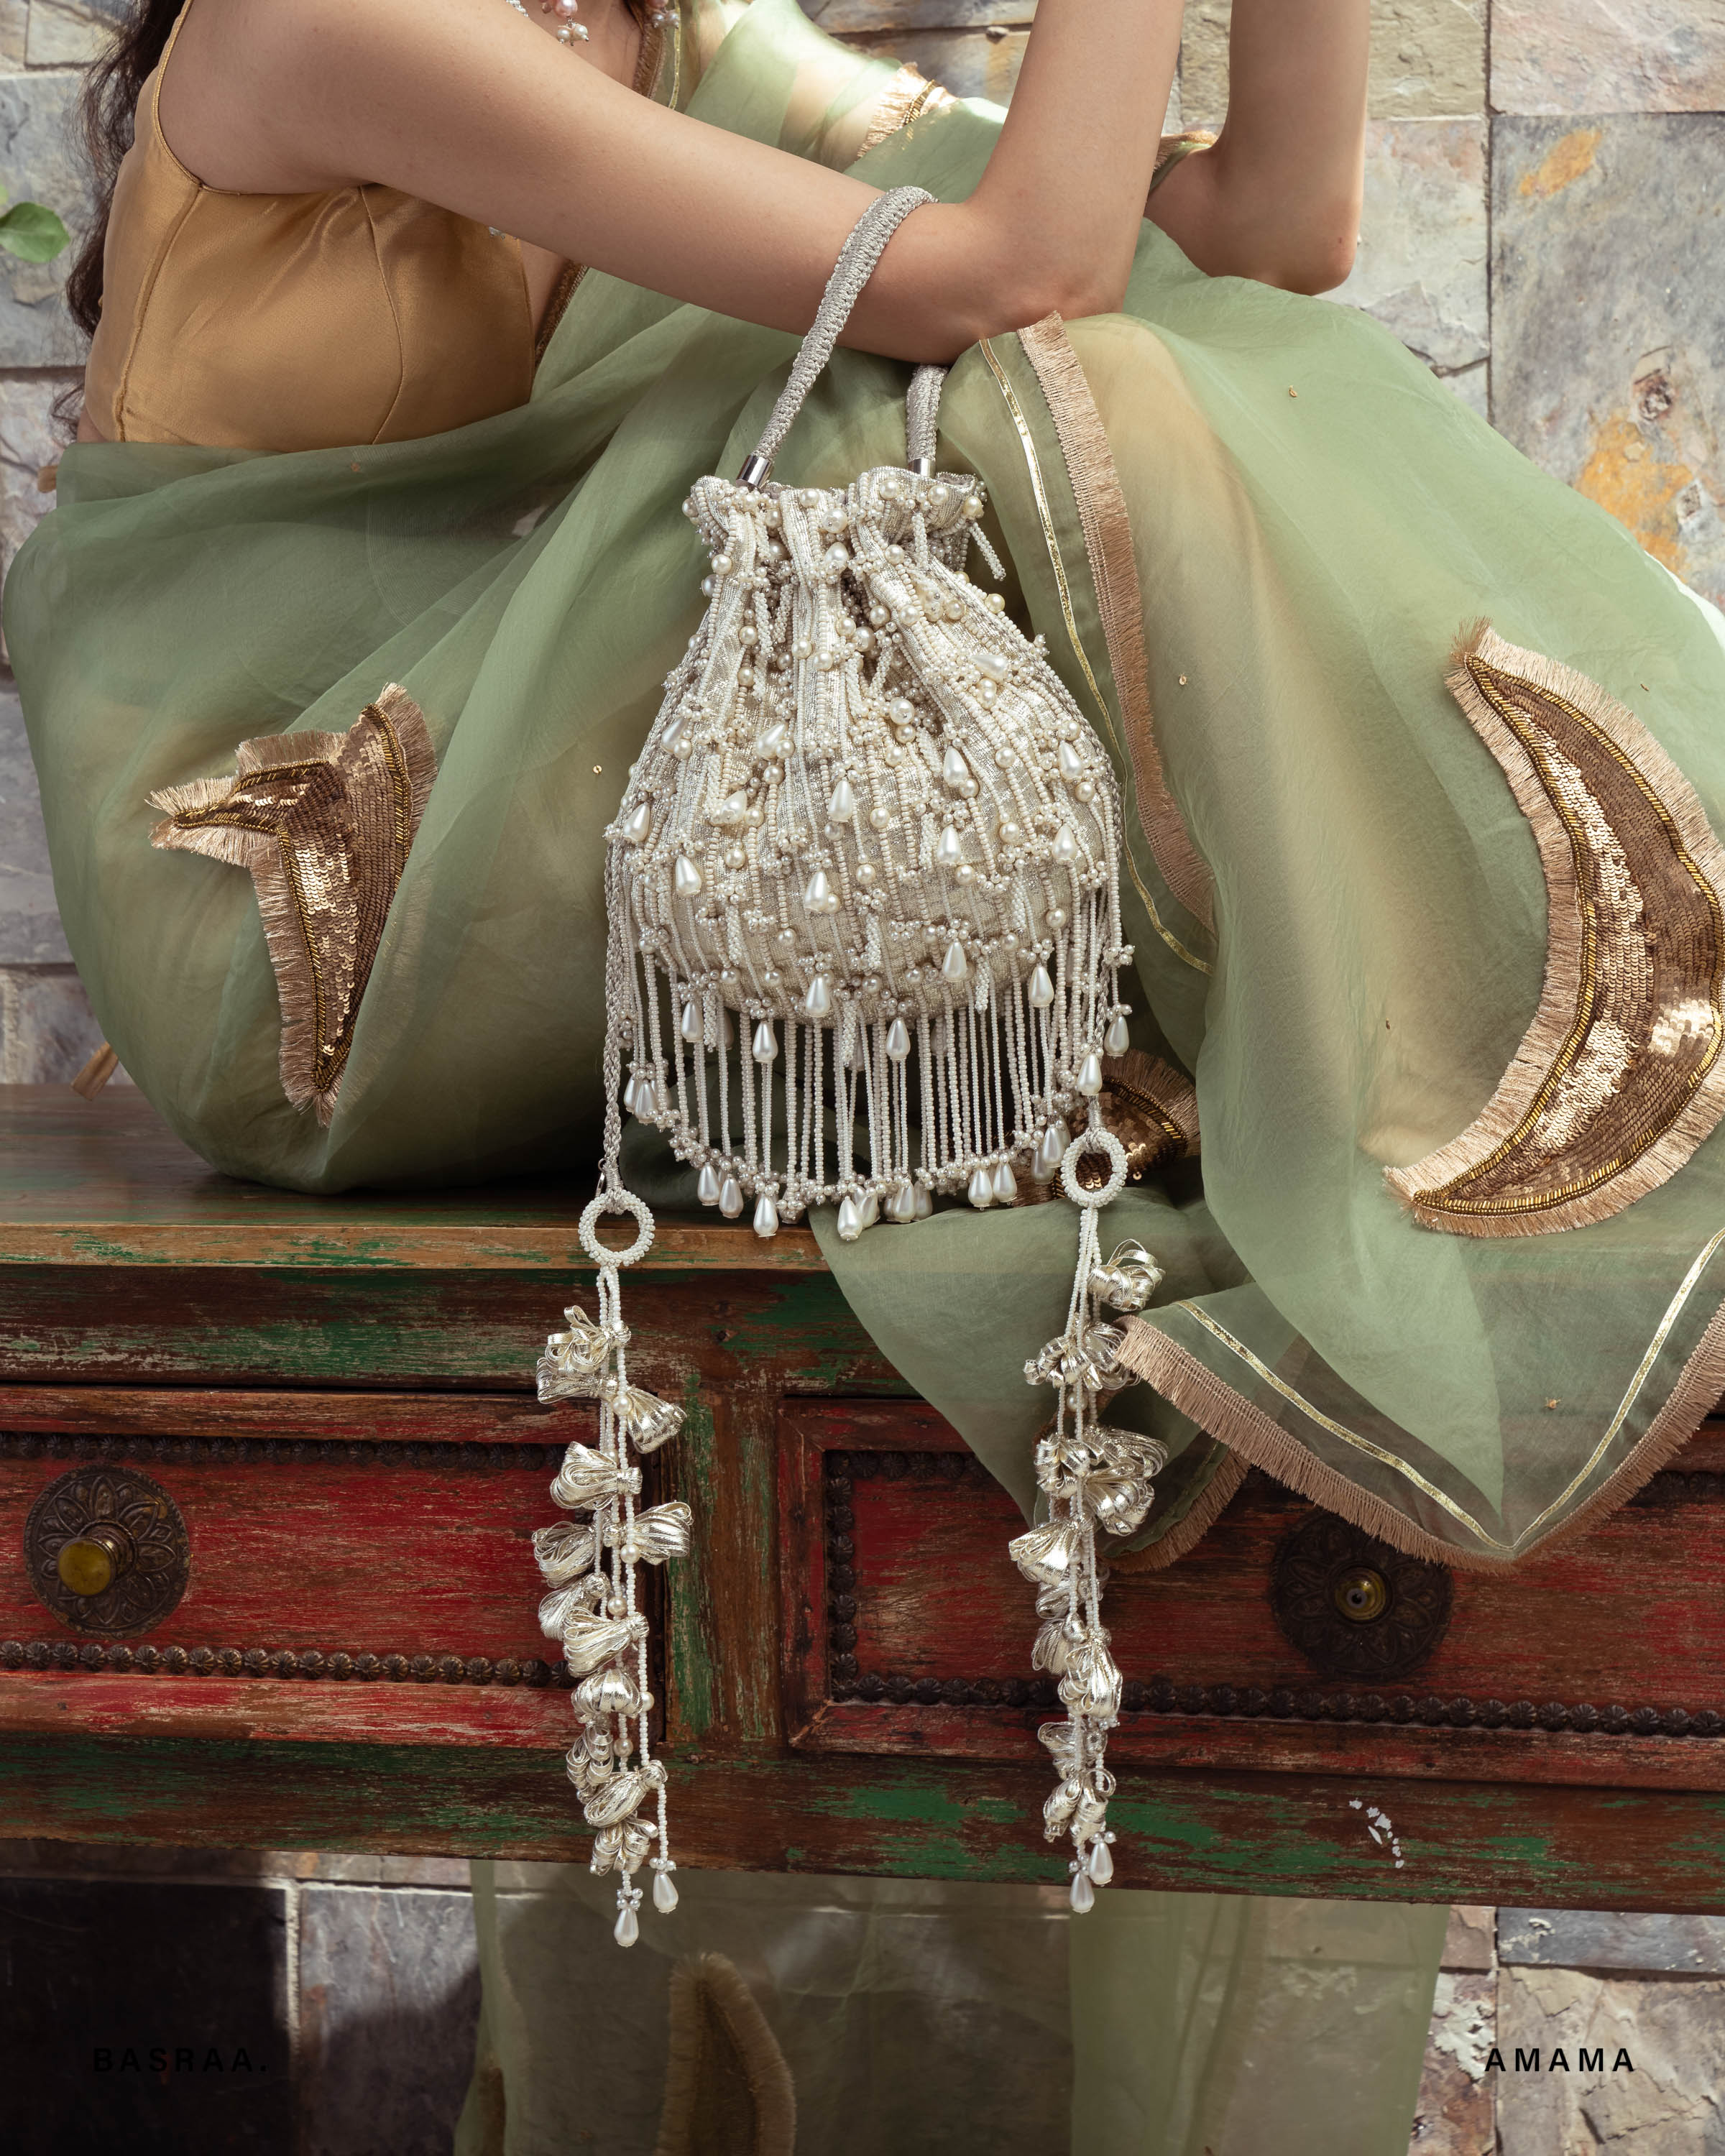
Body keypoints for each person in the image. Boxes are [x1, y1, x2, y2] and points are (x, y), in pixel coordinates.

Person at [9, 0, 1724, 2140]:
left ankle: (1474, 1038)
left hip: (532, 846)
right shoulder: (328, 18)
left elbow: (1268, 229)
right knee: (957, 391)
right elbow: (1015, 272)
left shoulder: (657, 31)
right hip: (294, 916)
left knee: (1117, 357)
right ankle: (1542, 1048)